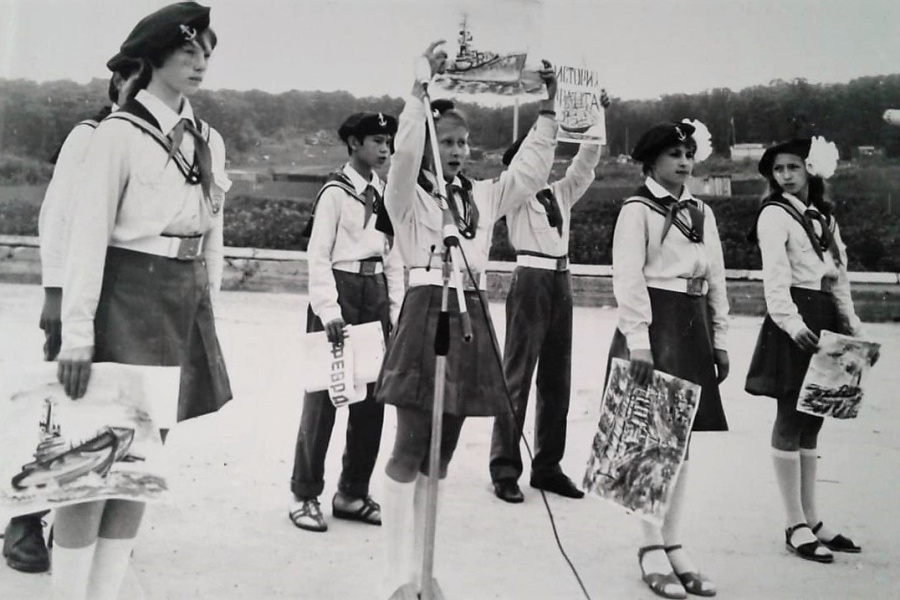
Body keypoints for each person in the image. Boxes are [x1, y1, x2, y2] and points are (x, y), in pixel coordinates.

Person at [54, 3, 230, 598]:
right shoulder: (118, 134)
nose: (200, 63)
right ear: (154, 57)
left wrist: (208, 309)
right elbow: (87, 238)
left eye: (207, 52)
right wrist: (77, 334)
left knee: (143, 463)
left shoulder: (210, 139)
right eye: (188, 51)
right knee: (93, 464)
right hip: (125, 300)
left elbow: (212, 232)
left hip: (181, 302)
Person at [375, 42, 558, 594]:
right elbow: (404, 157)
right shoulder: (406, 198)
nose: (457, 150)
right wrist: (417, 95)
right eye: (448, 141)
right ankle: (396, 578)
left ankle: (424, 572)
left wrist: (549, 110)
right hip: (426, 311)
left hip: (471, 318)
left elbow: (527, 173)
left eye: (463, 142)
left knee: (442, 454)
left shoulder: (480, 195)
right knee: (410, 446)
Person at [1, 54, 140, 577]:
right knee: (58, 409)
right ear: (117, 82)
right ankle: (24, 519)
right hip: (77, 290)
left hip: (123, 298)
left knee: (107, 412)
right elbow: (57, 217)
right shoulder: (90, 134)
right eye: (135, 80)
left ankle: (79, 521)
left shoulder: (148, 142)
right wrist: (55, 294)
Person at [607, 121, 728, 598]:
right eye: (674, 154)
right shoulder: (637, 209)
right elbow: (628, 276)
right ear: (651, 161)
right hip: (657, 324)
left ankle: (674, 540)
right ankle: (650, 545)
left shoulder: (701, 211)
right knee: (653, 436)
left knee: (683, 438)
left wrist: (719, 337)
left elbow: (716, 275)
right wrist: (638, 340)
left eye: (689, 153)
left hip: (693, 323)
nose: (684, 162)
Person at [745, 136, 867, 564]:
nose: (785, 176)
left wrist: (851, 323)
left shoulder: (824, 218)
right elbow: (775, 279)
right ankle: (793, 522)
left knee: (814, 419)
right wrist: (793, 325)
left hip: (826, 315)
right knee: (790, 416)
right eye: (778, 170)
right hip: (795, 319)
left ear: (810, 170)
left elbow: (838, 277)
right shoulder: (774, 215)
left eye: (793, 167)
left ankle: (812, 519)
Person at [288, 112, 404, 533]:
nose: (385, 149)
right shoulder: (335, 193)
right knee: (324, 399)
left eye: (388, 141)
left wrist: (396, 311)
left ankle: (352, 492)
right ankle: (305, 494)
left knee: (372, 401)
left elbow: (393, 256)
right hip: (339, 292)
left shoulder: (385, 192)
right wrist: (329, 310)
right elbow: (318, 256)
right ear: (354, 143)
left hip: (374, 293)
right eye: (376, 141)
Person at [489, 127, 606, 503]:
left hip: (561, 279)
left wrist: (595, 125)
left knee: (558, 377)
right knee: (517, 375)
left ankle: (548, 466)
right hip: (530, 277)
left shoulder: (559, 193)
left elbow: (584, 166)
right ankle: (504, 468)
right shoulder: (513, 194)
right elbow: (521, 171)